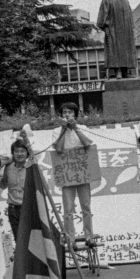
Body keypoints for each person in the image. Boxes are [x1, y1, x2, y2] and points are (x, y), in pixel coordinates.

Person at [52, 102, 97, 246]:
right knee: (68, 209)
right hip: (67, 172)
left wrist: (75, 128)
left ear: (75, 115)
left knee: (86, 206)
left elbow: (87, 144)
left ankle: (89, 236)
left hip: (82, 170)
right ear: (61, 115)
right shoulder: (56, 131)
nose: (67, 115)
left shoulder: (83, 128)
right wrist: (64, 130)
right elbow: (58, 148)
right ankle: (71, 239)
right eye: (65, 112)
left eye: (70, 112)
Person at [0, 139, 31, 236]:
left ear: (27, 153)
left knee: (30, 239)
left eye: (22, 151)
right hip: (13, 210)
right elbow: (3, 185)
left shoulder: (31, 168)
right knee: (18, 239)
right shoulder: (8, 167)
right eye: (16, 151)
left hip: (28, 208)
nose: (19, 154)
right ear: (13, 153)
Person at [96, 0, 137, 79]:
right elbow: (101, 18)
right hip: (114, 31)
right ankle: (117, 71)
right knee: (115, 50)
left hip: (126, 32)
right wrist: (106, 28)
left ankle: (125, 71)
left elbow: (130, 18)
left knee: (126, 50)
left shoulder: (126, 1)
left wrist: (131, 30)